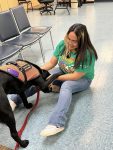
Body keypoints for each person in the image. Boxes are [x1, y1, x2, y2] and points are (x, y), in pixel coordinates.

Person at [8, 23, 98, 137]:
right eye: (69, 39)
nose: (70, 43)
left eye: (74, 41)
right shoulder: (63, 44)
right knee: (39, 78)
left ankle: (57, 123)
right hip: (63, 71)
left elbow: (75, 76)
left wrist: (53, 78)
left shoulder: (87, 53)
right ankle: (14, 99)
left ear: (82, 42)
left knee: (67, 86)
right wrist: (37, 71)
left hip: (82, 79)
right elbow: (51, 63)